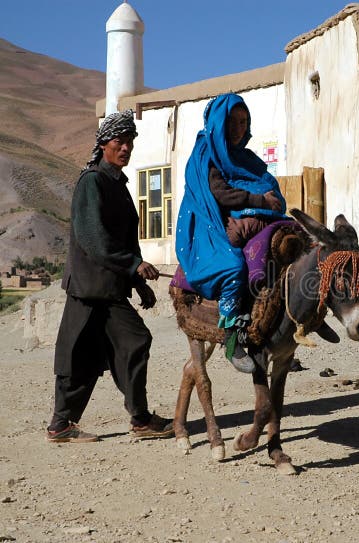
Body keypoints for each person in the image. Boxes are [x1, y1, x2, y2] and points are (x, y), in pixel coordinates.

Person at [46, 109, 173, 443]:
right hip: (89, 289)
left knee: (133, 342)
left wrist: (137, 281)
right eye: (120, 141)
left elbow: (120, 241)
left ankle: (141, 419)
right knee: (78, 355)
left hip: (109, 290)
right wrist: (133, 266)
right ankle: (61, 425)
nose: (126, 148)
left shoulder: (117, 184)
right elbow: (94, 240)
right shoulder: (93, 182)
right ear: (104, 144)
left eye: (130, 142)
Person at [176, 93, 286, 374]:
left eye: (244, 121)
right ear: (219, 123)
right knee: (233, 266)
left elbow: (266, 183)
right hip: (206, 224)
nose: (239, 128)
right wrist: (261, 202)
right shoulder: (205, 155)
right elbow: (220, 194)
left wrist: (267, 199)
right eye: (233, 122)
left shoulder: (245, 157)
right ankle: (231, 336)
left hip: (238, 215)